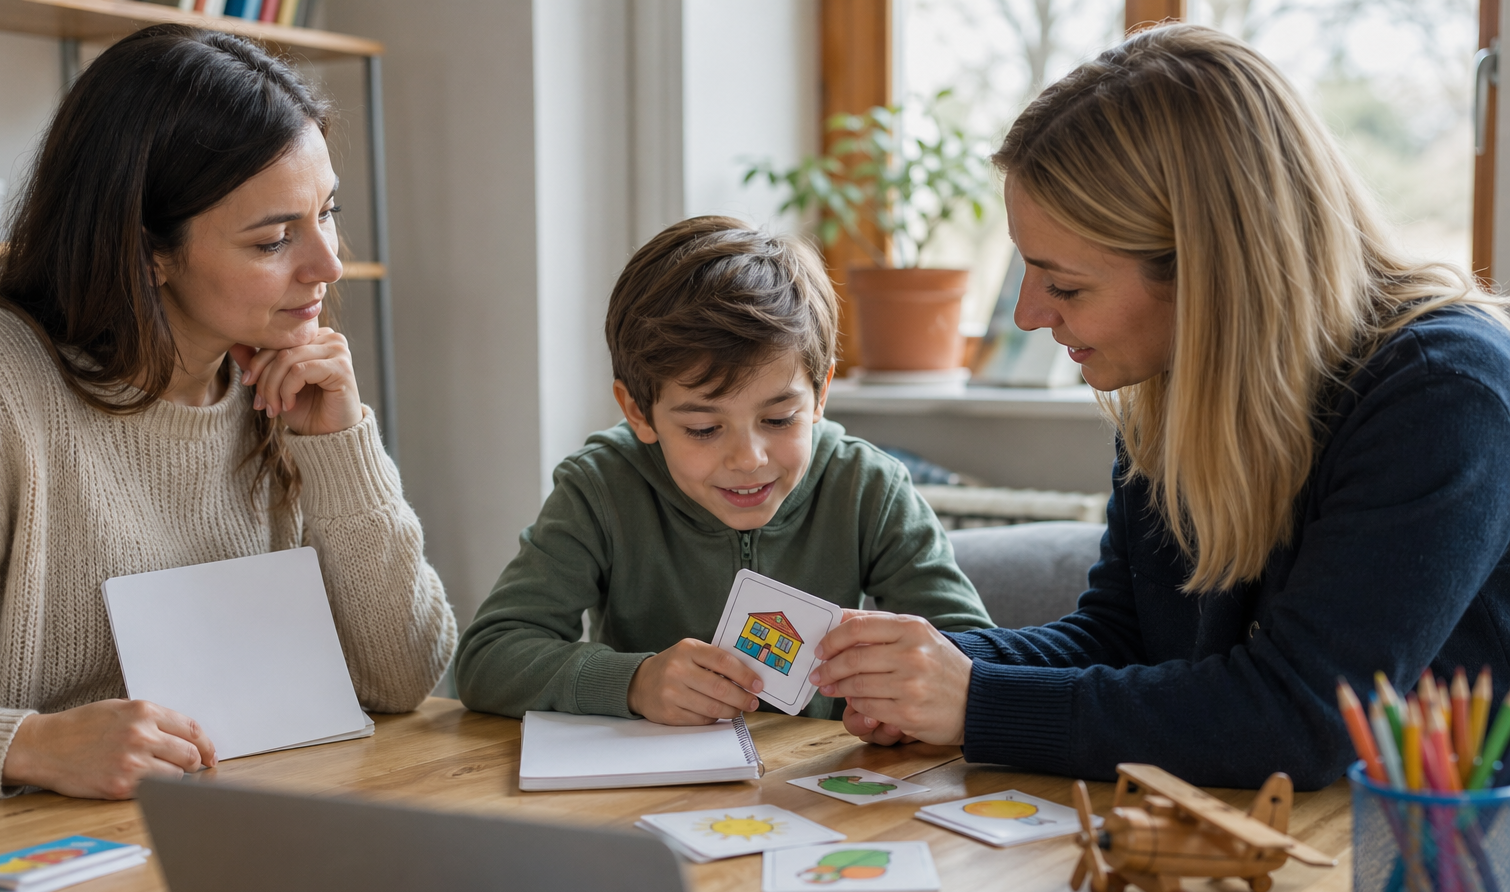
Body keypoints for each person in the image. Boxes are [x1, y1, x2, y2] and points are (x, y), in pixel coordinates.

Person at [807, 24, 1510, 790]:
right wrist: (923, 670)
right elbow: (1124, 636)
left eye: (1065, 284)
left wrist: (976, 701)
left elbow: (1302, 717)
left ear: (1208, 274)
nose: (1026, 316)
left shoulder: (1446, 394)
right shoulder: (1175, 383)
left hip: (1440, 867)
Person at [0, 25, 456, 803]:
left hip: (244, 828)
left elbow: (400, 677)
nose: (328, 265)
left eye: (326, 212)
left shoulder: (286, 387)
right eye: (274, 240)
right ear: (148, 253)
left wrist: (340, 448)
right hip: (40, 864)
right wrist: (31, 744)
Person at [453, 216, 992, 724]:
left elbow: (973, 655)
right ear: (639, 411)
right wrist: (634, 681)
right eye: (704, 429)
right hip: (648, 796)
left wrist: (909, 701)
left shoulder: (867, 487)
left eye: (779, 419)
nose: (748, 459)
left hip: (820, 795)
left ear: (821, 393)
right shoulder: (600, 489)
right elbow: (488, 657)